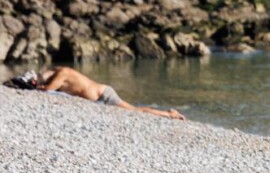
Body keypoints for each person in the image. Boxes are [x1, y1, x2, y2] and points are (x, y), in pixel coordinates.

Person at [30, 67, 184, 120]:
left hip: (103, 95)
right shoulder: (62, 73)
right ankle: (167, 113)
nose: (41, 81)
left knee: (135, 111)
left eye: (41, 79)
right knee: (133, 110)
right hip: (101, 95)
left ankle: (169, 114)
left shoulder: (61, 73)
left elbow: (49, 89)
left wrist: (38, 87)